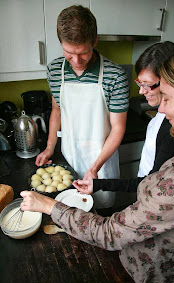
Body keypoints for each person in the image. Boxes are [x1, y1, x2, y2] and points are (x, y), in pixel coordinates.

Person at [20, 41, 174, 283]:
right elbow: (150, 184)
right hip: (134, 247)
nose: (160, 108)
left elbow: (108, 233)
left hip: (144, 279)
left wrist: (49, 206)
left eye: (168, 97)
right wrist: (102, 183)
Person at [35, 5, 129, 208]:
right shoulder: (54, 70)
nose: (76, 61)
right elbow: (57, 110)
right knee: (70, 211)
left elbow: (118, 128)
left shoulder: (115, 75)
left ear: (94, 41)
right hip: (70, 157)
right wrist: (50, 147)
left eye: (84, 53)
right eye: (69, 53)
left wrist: (95, 167)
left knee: (102, 215)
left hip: (101, 161)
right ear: (60, 43)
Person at [73, 42, 174, 196]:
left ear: (169, 81)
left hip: (152, 197)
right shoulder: (162, 114)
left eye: (147, 85)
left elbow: (153, 183)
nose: (141, 91)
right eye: (140, 83)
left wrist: (99, 184)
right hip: (145, 191)